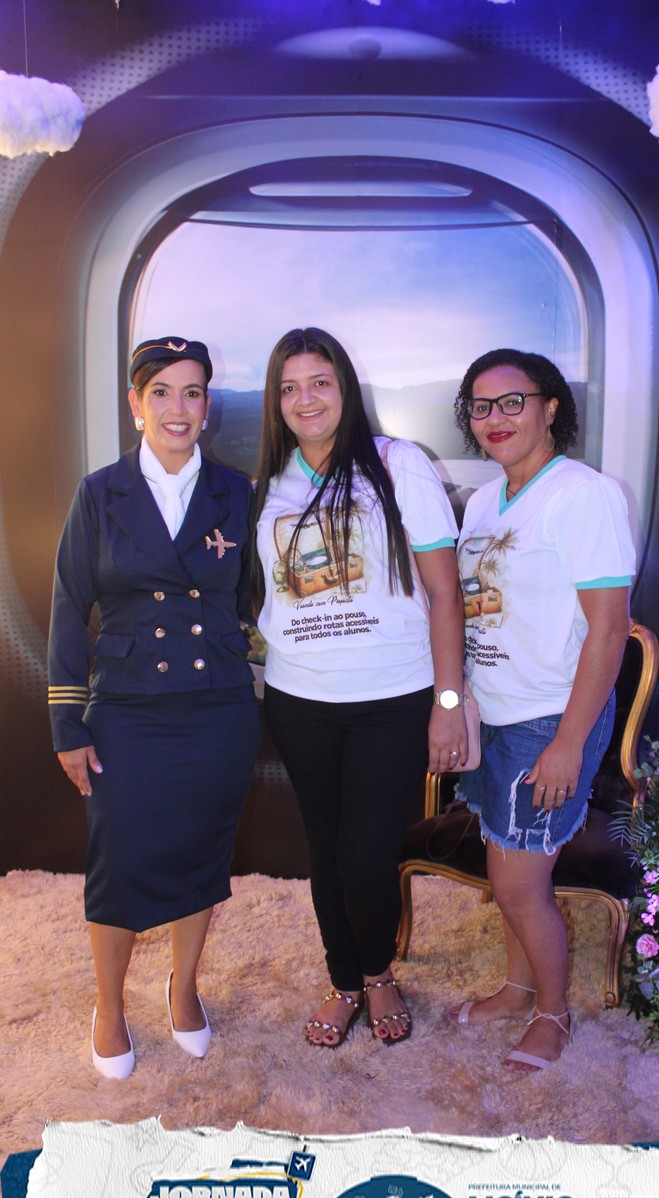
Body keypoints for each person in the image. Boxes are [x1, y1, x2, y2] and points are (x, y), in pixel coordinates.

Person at [48, 337, 262, 1079]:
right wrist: (67, 723)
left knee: (201, 852)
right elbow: (69, 608)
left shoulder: (237, 492)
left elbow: (257, 598)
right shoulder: (99, 492)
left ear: (207, 406)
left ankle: (184, 986)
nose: (179, 407)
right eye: (162, 392)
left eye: (193, 392)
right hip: (129, 706)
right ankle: (109, 1005)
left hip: (215, 705)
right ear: (136, 403)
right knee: (119, 859)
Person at [253, 327, 465, 1047]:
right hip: (298, 700)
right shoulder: (269, 485)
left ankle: (378, 972)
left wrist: (448, 702)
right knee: (325, 850)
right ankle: (344, 979)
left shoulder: (398, 464)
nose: (305, 399)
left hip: (391, 699)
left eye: (320, 382)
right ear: (275, 402)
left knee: (367, 857)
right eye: (289, 387)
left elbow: (445, 593)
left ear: (346, 387)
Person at [449, 348, 635, 1072]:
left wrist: (569, 742)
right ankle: (517, 988)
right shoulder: (482, 502)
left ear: (550, 406)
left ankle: (552, 1015)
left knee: (518, 883)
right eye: (481, 406)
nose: (494, 419)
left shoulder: (583, 495)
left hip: (550, 717)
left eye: (512, 402)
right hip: (494, 713)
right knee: (507, 868)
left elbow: (610, 628)